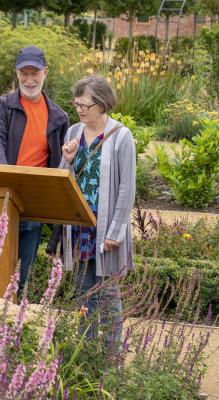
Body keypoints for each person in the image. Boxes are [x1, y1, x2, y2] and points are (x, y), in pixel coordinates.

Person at [0, 45, 70, 297]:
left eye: (34, 73)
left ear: (45, 72)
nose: (29, 79)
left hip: (31, 205)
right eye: (23, 73)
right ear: (16, 75)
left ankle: (11, 328)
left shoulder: (58, 116)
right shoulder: (2, 107)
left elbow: (60, 161)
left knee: (18, 278)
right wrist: (6, 181)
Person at [46, 74, 136, 353]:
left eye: (86, 105)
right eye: (77, 104)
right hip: (79, 226)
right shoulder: (73, 132)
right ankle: (85, 354)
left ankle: (110, 356)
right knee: (82, 294)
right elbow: (63, 180)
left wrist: (115, 232)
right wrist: (69, 160)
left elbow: (126, 189)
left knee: (108, 294)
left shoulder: (121, 136)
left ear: (102, 103)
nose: (80, 109)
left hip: (105, 227)